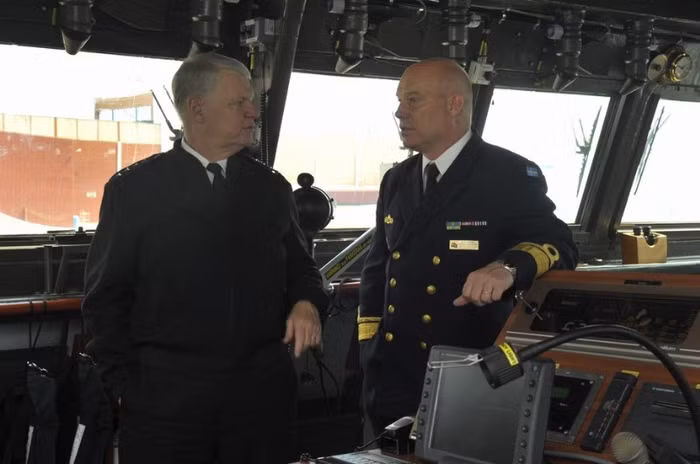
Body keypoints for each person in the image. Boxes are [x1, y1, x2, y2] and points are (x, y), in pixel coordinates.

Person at [81, 52, 329, 463]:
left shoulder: (270, 189)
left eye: (253, 101)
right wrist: (127, 388)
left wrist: (307, 302)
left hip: (260, 404)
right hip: (166, 405)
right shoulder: (135, 190)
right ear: (197, 109)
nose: (253, 113)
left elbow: (303, 269)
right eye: (239, 103)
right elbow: (105, 298)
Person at [358, 58, 579, 435]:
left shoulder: (506, 174)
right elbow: (378, 268)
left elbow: (560, 244)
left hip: (465, 375)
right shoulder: (397, 179)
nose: (400, 112)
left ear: (454, 104)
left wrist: (506, 268)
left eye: (413, 100)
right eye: (399, 100)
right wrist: (369, 346)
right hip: (392, 372)